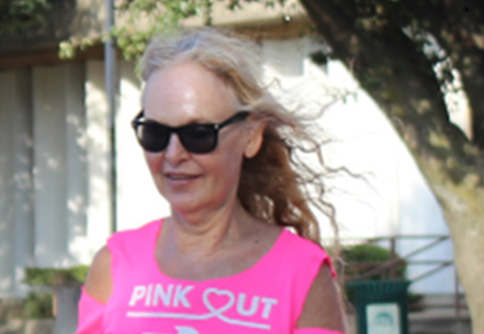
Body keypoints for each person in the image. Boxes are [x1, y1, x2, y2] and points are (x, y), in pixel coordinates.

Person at [78, 28, 346, 333]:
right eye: (155, 133)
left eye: (199, 134)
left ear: (251, 136)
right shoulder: (113, 266)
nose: (173, 153)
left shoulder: (301, 274)